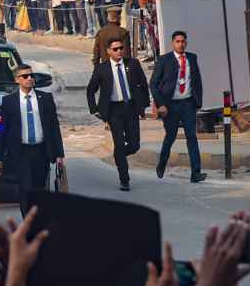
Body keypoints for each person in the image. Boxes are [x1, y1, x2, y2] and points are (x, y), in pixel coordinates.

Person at [0, 64, 65, 216]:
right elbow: (3, 130)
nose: (29, 79)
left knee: (39, 189)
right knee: (26, 188)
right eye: (25, 76)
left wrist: (59, 154)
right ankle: (28, 223)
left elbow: (54, 127)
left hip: (41, 151)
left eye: (31, 75)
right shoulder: (9, 101)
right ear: (17, 80)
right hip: (21, 153)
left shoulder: (45, 99)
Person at [86, 38, 150, 191]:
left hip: (131, 108)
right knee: (120, 144)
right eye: (115, 49)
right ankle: (124, 179)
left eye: (121, 48)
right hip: (114, 110)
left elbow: (143, 84)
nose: (119, 51)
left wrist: (144, 105)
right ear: (108, 51)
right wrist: (94, 109)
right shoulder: (102, 68)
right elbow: (90, 90)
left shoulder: (133, 64)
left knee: (134, 145)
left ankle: (118, 155)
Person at [150, 30, 206, 183]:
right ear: (173, 43)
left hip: (188, 103)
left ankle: (196, 173)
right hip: (170, 105)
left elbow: (197, 81)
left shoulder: (192, 58)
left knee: (192, 137)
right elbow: (153, 84)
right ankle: (162, 164)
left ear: (186, 43)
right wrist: (160, 104)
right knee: (170, 137)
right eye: (178, 42)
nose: (181, 44)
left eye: (183, 41)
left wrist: (197, 102)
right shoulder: (164, 60)